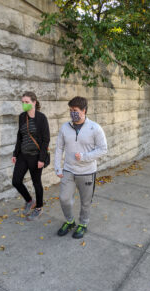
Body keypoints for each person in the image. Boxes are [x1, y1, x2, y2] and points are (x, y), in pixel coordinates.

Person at [55, 96, 107, 238]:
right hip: (68, 170)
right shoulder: (65, 127)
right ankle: (70, 221)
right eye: (71, 110)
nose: (72, 113)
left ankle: (83, 223)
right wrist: (57, 167)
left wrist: (84, 157)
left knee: (85, 202)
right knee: (64, 198)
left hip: (87, 172)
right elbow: (59, 148)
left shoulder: (95, 128)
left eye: (75, 110)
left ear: (84, 110)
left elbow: (103, 149)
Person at [12, 91, 50, 221]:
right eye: (23, 102)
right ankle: (29, 201)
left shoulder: (41, 118)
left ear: (34, 102)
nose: (24, 104)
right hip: (23, 155)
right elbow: (20, 136)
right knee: (16, 181)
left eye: (27, 102)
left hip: (36, 156)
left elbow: (46, 140)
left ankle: (39, 207)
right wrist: (15, 154)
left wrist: (41, 159)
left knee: (36, 182)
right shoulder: (22, 117)